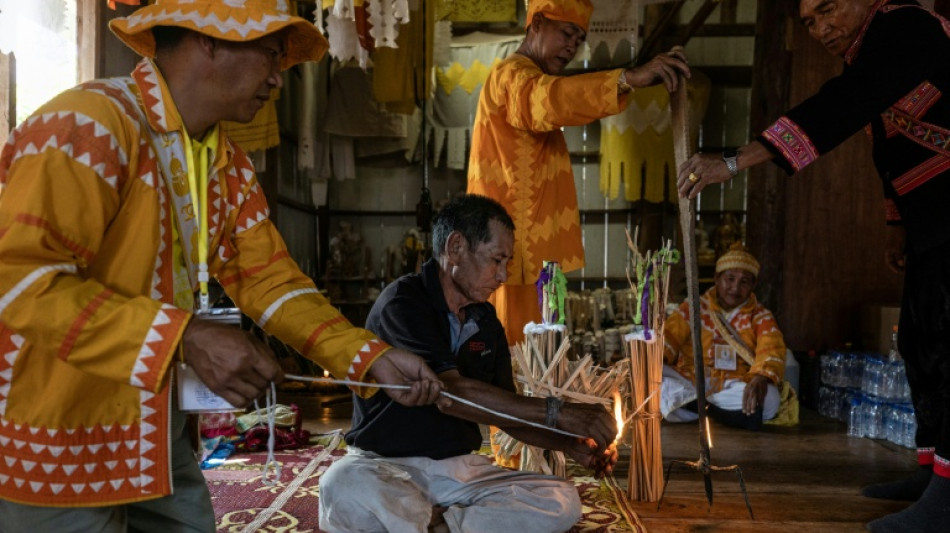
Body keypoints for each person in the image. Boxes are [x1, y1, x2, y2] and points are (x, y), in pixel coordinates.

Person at [0, 1, 444, 530]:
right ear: (209, 38)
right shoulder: (89, 123)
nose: (278, 80)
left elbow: (268, 279)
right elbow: (20, 281)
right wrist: (184, 339)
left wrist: (368, 358)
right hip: (53, 436)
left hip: (151, 433)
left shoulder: (222, 160)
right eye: (270, 55)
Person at [677, 0, 950, 530]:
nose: (821, 29)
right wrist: (899, 224)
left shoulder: (904, 26)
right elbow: (889, 150)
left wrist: (734, 161)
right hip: (930, 216)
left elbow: (841, 107)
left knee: (949, 342)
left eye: (829, 11)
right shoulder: (868, 52)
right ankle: (932, 467)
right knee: (921, 340)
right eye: (809, 22)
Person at [318, 194, 619, 533]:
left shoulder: (486, 319)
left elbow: (509, 416)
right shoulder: (403, 302)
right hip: (384, 465)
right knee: (340, 484)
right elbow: (449, 393)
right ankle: (438, 521)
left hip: (458, 471)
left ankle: (438, 525)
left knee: (561, 498)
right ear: (456, 246)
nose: (503, 275)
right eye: (496, 260)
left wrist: (571, 445)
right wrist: (559, 411)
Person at [467, 0, 691, 347]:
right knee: (517, 359)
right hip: (510, 257)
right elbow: (551, 100)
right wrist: (626, 79)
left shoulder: (528, 77)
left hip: (524, 257)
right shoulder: (514, 76)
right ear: (537, 23)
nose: (573, 46)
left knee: (532, 355)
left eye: (579, 38)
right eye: (567, 33)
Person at [661, 244, 787, 430]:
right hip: (693, 379)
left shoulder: (760, 316)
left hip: (734, 384)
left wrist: (761, 377)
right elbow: (669, 337)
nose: (735, 288)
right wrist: (657, 358)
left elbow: (772, 349)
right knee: (655, 381)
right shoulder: (693, 308)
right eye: (730, 279)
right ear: (716, 279)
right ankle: (719, 414)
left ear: (753, 286)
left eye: (744, 282)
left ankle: (697, 408)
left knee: (770, 399)